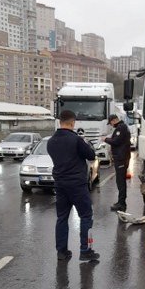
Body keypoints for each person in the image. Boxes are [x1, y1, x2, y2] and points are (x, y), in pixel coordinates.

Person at [47, 109, 100, 262]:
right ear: (72, 122)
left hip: (60, 185)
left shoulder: (51, 141)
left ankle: (62, 252)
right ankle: (85, 250)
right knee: (86, 216)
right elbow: (91, 155)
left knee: (62, 218)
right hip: (77, 185)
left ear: (59, 122)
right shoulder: (76, 140)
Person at [104, 113, 131, 212]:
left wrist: (105, 139)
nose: (111, 125)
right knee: (120, 181)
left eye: (111, 123)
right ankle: (121, 202)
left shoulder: (121, 128)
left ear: (114, 120)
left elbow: (116, 141)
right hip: (122, 157)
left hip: (121, 158)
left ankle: (121, 204)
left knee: (120, 181)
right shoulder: (122, 127)